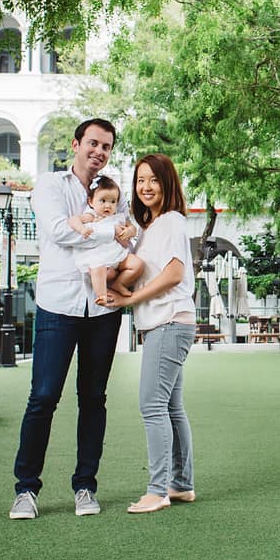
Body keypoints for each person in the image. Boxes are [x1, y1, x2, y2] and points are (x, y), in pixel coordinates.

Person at [9, 117, 137, 522]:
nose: (99, 152)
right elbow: (58, 233)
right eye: (94, 143)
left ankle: (85, 485)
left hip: (102, 308)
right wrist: (105, 230)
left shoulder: (113, 192)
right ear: (76, 144)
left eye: (107, 147)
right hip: (58, 304)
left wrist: (107, 231)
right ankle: (26, 490)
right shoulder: (50, 186)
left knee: (93, 398)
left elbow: (127, 236)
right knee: (43, 397)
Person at [104, 153, 197, 514]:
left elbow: (173, 274)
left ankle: (157, 490)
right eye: (140, 180)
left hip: (168, 322)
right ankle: (181, 485)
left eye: (153, 180)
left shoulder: (171, 221)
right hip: (169, 322)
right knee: (172, 408)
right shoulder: (152, 227)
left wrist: (130, 298)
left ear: (167, 183)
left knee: (152, 405)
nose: (145, 187)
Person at [67, 172, 146, 307]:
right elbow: (73, 220)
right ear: (91, 202)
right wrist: (82, 229)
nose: (108, 206)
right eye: (102, 201)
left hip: (118, 255)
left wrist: (129, 231)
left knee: (138, 264)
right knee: (99, 271)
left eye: (113, 201)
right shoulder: (92, 216)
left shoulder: (119, 217)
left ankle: (119, 283)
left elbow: (133, 228)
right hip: (100, 259)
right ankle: (101, 295)